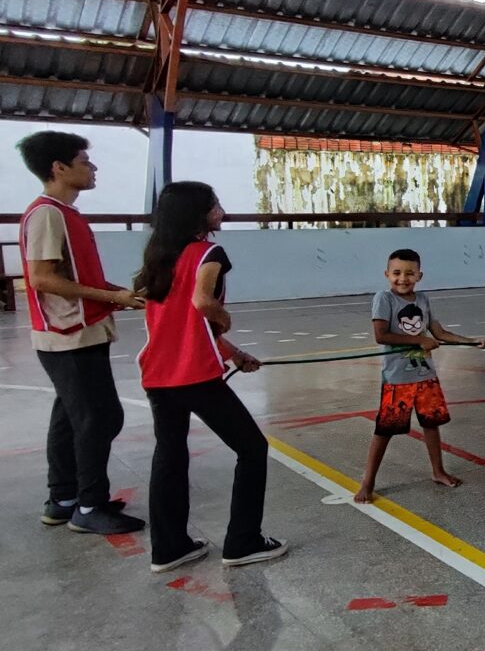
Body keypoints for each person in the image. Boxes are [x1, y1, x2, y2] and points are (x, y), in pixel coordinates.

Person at [133, 181, 286, 571]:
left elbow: (180, 326)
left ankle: (168, 549)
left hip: (158, 375)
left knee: (169, 456)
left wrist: (234, 353)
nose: (221, 207)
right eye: (214, 203)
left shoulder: (160, 257)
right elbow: (201, 305)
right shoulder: (209, 252)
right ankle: (242, 542)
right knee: (252, 449)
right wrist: (223, 316)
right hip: (195, 376)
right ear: (200, 213)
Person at [15, 131, 146, 534]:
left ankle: (64, 498)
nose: (93, 168)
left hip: (82, 329)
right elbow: (42, 278)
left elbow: (75, 275)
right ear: (59, 168)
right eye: (85, 161)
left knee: (71, 417)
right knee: (99, 417)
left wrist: (117, 295)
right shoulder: (47, 213)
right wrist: (106, 295)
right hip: (67, 334)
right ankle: (89, 507)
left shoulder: (65, 214)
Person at [355, 248, 485, 504]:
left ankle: (437, 471)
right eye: (396, 273)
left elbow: (439, 332)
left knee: (431, 424)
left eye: (409, 273)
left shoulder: (423, 300)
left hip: (426, 377)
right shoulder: (384, 298)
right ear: (387, 274)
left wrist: (473, 342)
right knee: (385, 430)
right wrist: (420, 340)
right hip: (398, 380)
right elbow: (381, 335)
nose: (402, 278)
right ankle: (368, 482)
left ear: (419, 275)